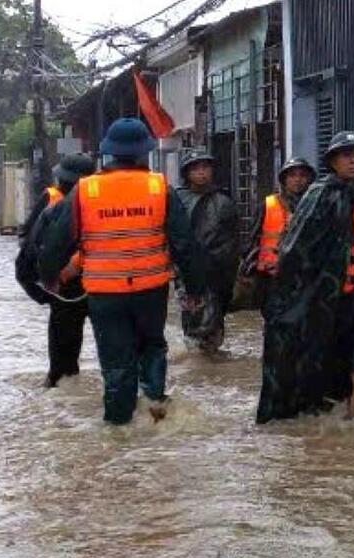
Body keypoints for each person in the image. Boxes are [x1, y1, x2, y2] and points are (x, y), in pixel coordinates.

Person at [36, 118, 207, 425]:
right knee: (152, 347)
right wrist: (195, 291)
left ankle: (118, 426)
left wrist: (51, 279)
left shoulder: (85, 190)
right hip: (151, 290)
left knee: (116, 361)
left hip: (105, 294)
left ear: (108, 153)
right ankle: (153, 405)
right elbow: (185, 245)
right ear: (145, 152)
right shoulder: (159, 188)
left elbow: (55, 242)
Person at [256, 131, 354, 422]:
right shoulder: (318, 196)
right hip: (325, 307)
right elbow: (295, 253)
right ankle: (330, 446)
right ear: (333, 161)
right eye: (346, 154)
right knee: (319, 378)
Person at [15, 155, 96, 388]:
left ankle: (61, 389)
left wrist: (40, 290)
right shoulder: (96, 199)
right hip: (101, 281)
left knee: (63, 349)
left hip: (64, 286)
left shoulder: (51, 198)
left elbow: (30, 242)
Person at [174, 150, 240, 353]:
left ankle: (211, 357)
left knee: (215, 320)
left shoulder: (223, 201)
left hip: (218, 272)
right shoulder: (177, 199)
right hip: (187, 272)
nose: (201, 173)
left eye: (205, 167)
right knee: (194, 318)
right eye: (196, 169)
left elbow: (232, 240)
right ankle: (198, 360)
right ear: (187, 173)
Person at [239, 157, 315, 305]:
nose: (297, 180)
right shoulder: (268, 204)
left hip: (306, 276)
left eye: (302, 175)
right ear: (284, 180)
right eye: (292, 176)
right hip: (271, 277)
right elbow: (252, 239)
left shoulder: (318, 205)